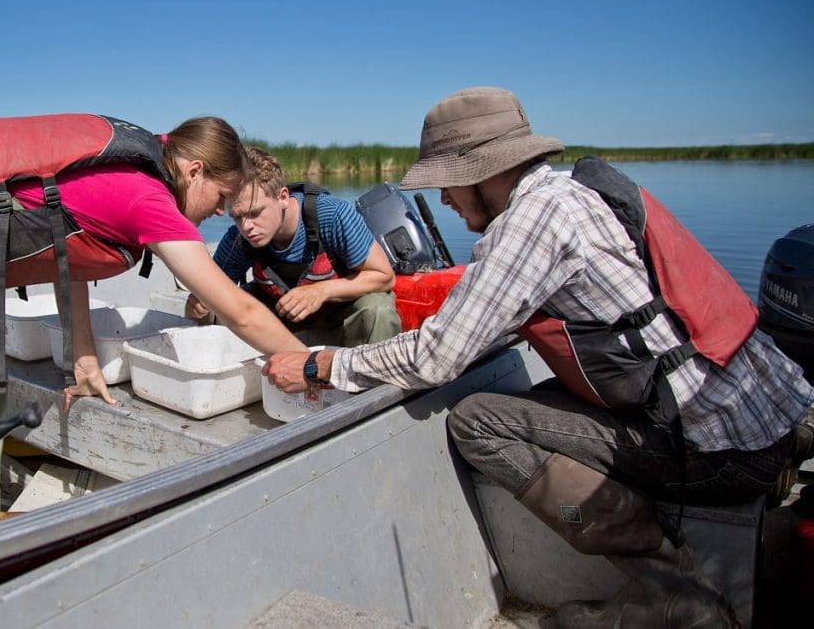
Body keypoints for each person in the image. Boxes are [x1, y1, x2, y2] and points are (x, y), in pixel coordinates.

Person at [263, 87, 814, 627]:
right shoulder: (576, 193)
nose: (445, 200)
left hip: (718, 451)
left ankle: (676, 587)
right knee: (541, 397)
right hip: (761, 417)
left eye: (449, 183)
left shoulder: (531, 222)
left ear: (484, 172)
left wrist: (320, 364)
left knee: (479, 421)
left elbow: (435, 357)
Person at [0, 114, 309, 541]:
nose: (223, 213)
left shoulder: (135, 168)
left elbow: (72, 254)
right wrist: (314, 364)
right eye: (223, 197)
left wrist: (82, 352)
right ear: (194, 172)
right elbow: (236, 310)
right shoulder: (149, 196)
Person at [185, 146, 400, 347]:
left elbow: (384, 276)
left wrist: (321, 291)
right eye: (237, 217)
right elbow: (212, 298)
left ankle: (371, 383)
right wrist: (200, 309)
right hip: (278, 325)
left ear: (283, 197)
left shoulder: (333, 215)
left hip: (338, 321)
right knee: (224, 313)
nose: (246, 227)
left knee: (378, 310)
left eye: (255, 213)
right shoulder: (238, 238)